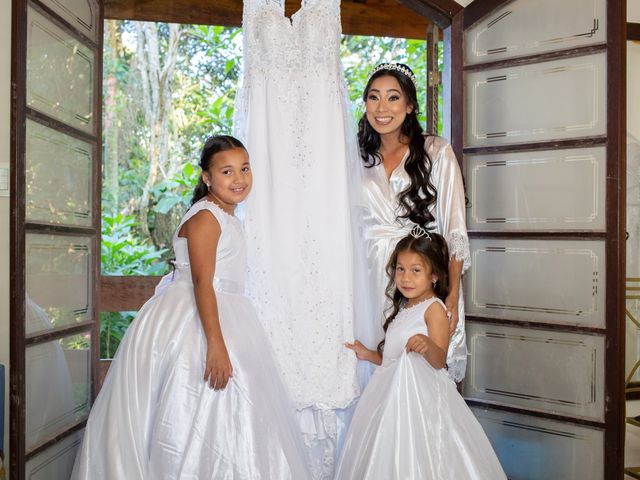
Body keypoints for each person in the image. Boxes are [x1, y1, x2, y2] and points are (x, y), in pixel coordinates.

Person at [71, 135, 310, 479]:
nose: (239, 178)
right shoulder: (207, 218)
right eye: (227, 171)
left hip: (224, 310)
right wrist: (215, 344)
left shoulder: (225, 216)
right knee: (194, 403)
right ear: (207, 178)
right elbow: (202, 283)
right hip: (195, 320)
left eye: (244, 169)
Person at [335, 227, 506, 479]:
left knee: (419, 456)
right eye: (400, 269)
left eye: (416, 271)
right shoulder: (404, 308)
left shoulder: (433, 308)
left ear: (434, 275)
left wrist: (428, 345)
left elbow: (439, 361)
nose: (405, 278)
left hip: (419, 401)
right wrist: (369, 354)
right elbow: (394, 359)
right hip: (390, 398)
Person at [358, 62, 470, 383]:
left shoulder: (437, 151)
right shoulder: (357, 157)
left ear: (409, 106)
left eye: (393, 98)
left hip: (415, 275)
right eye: (374, 97)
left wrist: (451, 293)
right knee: (370, 362)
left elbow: (454, 230)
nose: (382, 108)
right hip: (366, 275)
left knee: (418, 368)